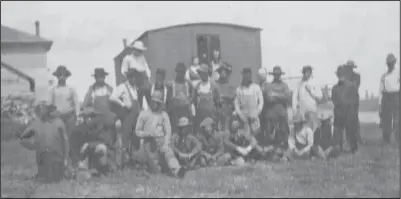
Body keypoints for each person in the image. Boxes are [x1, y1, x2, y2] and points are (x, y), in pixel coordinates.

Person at [135, 91, 187, 178]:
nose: (155, 104)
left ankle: (177, 170)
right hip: (149, 143)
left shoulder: (164, 115)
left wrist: (166, 143)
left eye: (157, 102)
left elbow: (168, 131)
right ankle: (156, 169)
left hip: (161, 141)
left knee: (169, 153)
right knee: (156, 167)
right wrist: (148, 134)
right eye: (154, 101)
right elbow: (137, 131)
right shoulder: (143, 114)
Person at [19, 102, 69, 183]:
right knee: (48, 178)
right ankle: (44, 173)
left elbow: (65, 141)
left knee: (55, 177)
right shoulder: (36, 124)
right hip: (44, 156)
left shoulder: (59, 123)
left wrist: (66, 158)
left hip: (57, 156)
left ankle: (51, 173)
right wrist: (34, 145)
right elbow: (22, 139)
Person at [48, 65, 80, 165]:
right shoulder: (53, 90)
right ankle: (61, 163)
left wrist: (78, 116)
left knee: (71, 139)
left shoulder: (71, 89)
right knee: (59, 139)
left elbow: (76, 103)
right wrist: (50, 115)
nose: (62, 77)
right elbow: (50, 104)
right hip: (58, 117)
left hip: (70, 116)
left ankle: (75, 162)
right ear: (57, 77)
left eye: (64, 75)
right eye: (60, 75)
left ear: (66, 77)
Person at [109, 68, 142, 166]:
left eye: (135, 77)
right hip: (127, 115)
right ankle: (124, 162)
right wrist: (122, 104)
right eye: (131, 77)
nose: (133, 79)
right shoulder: (122, 87)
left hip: (136, 115)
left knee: (136, 137)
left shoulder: (135, 88)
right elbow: (112, 97)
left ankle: (134, 160)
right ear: (128, 78)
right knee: (125, 138)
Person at [76, 107, 118, 176]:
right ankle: (91, 169)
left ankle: (104, 170)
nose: (88, 120)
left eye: (89, 118)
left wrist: (88, 144)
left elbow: (104, 141)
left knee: (101, 148)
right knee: (85, 150)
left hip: (105, 148)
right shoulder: (86, 128)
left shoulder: (102, 129)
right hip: (93, 147)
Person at [262, 66, 291, 157]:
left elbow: (287, 97)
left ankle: (283, 153)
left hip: (282, 113)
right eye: (275, 74)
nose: (277, 76)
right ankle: (271, 154)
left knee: (283, 133)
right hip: (271, 113)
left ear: (280, 75)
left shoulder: (284, 85)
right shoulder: (268, 85)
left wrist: (275, 94)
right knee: (270, 135)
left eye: (278, 74)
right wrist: (279, 96)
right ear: (273, 75)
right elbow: (268, 97)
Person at [82, 68, 116, 145]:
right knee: (98, 143)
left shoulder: (109, 89)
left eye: (102, 77)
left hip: (108, 119)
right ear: (95, 78)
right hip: (96, 120)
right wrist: (88, 118)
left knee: (111, 141)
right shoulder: (91, 90)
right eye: (99, 77)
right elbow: (85, 105)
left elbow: (116, 105)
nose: (101, 79)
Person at [331, 65, 359, 153]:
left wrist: (353, 111)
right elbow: (334, 99)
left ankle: (354, 148)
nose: (340, 76)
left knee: (351, 131)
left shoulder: (351, 86)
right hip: (338, 112)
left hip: (349, 111)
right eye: (339, 75)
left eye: (342, 74)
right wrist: (339, 106)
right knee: (337, 131)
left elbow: (355, 100)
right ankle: (338, 148)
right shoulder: (334, 88)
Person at [292, 65, 324, 133]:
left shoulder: (314, 82)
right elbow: (294, 96)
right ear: (302, 73)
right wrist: (294, 109)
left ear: (310, 72)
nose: (306, 74)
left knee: (312, 125)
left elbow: (319, 97)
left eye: (308, 72)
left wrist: (311, 91)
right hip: (302, 108)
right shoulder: (299, 83)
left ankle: (313, 141)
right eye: (304, 72)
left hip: (311, 107)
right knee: (301, 127)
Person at [120, 40, 152, 110]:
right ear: (134, 49)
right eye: (138, 50)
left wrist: (148, 78)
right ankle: (139, 111)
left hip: (144, 79)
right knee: (138, 100)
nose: (140, 52)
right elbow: (123, 70)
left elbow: (146, 68)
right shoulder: (128, 58)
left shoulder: (142, 57)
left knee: (149, 99)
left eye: (141, 51)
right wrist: (130, 77)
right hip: (135, 79)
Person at [234, 68, 264, 136]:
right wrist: (241, 115)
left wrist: (257, 113)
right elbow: (236, 104)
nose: (247, 76)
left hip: (254, 117)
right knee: (245, 137)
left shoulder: (256, 87)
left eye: (248, 75)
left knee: (255, 136)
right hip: (244, 118)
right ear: (242, 75)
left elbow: (261, 102)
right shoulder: (239, 89)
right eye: (245, 75)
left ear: (250, 75)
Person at [167, 63, 194, 133]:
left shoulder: (188, 83)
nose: (181, 74)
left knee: (186, 131)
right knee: (176, 131)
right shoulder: (171, 83)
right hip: (175, 112)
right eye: (179, 72)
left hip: (186, 111)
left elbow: (194, 94)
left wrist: (190, 101)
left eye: (182, 72)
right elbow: (169, 98)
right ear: (176, 72)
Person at [379, 53, 399, 145]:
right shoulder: (384, 76)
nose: (390, 65)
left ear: (394, 63)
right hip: (386, 97)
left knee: (397, 118)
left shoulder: (398, 74)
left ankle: (397, 138)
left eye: (391, 63)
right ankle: (386, 138)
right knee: (386, 118)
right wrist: (379, 104)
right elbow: (381, 91)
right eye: (388, 63)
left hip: (396, 96)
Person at [193, 64, 221, 133]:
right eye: (200, 73)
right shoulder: (197, 86)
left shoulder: (214, 86)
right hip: (200, 116)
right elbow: (194, 101)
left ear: (207, 73)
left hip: (211, 116)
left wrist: (217, 117)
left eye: (202, 73)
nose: (201, 75)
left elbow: (218, 102)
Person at [343, 60, 363, 144]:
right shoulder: (344, 77)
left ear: (352, 68)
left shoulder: (357, 76)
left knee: (354, 119)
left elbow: (355, 86)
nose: (349, 69)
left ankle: (358, 139)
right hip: (345, 101)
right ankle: (349, 139)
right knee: (347, 120)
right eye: (348, 67)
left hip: (354, 101)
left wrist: (347, 83)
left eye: (350, 67)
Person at [214, 63, 236, 131]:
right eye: (223, 71)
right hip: (216, 114)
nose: (225, 73)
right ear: (219, 72)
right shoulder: (214, 84)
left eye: (227, 72)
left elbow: (233, 102)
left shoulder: (231, 86)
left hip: (227, 115)